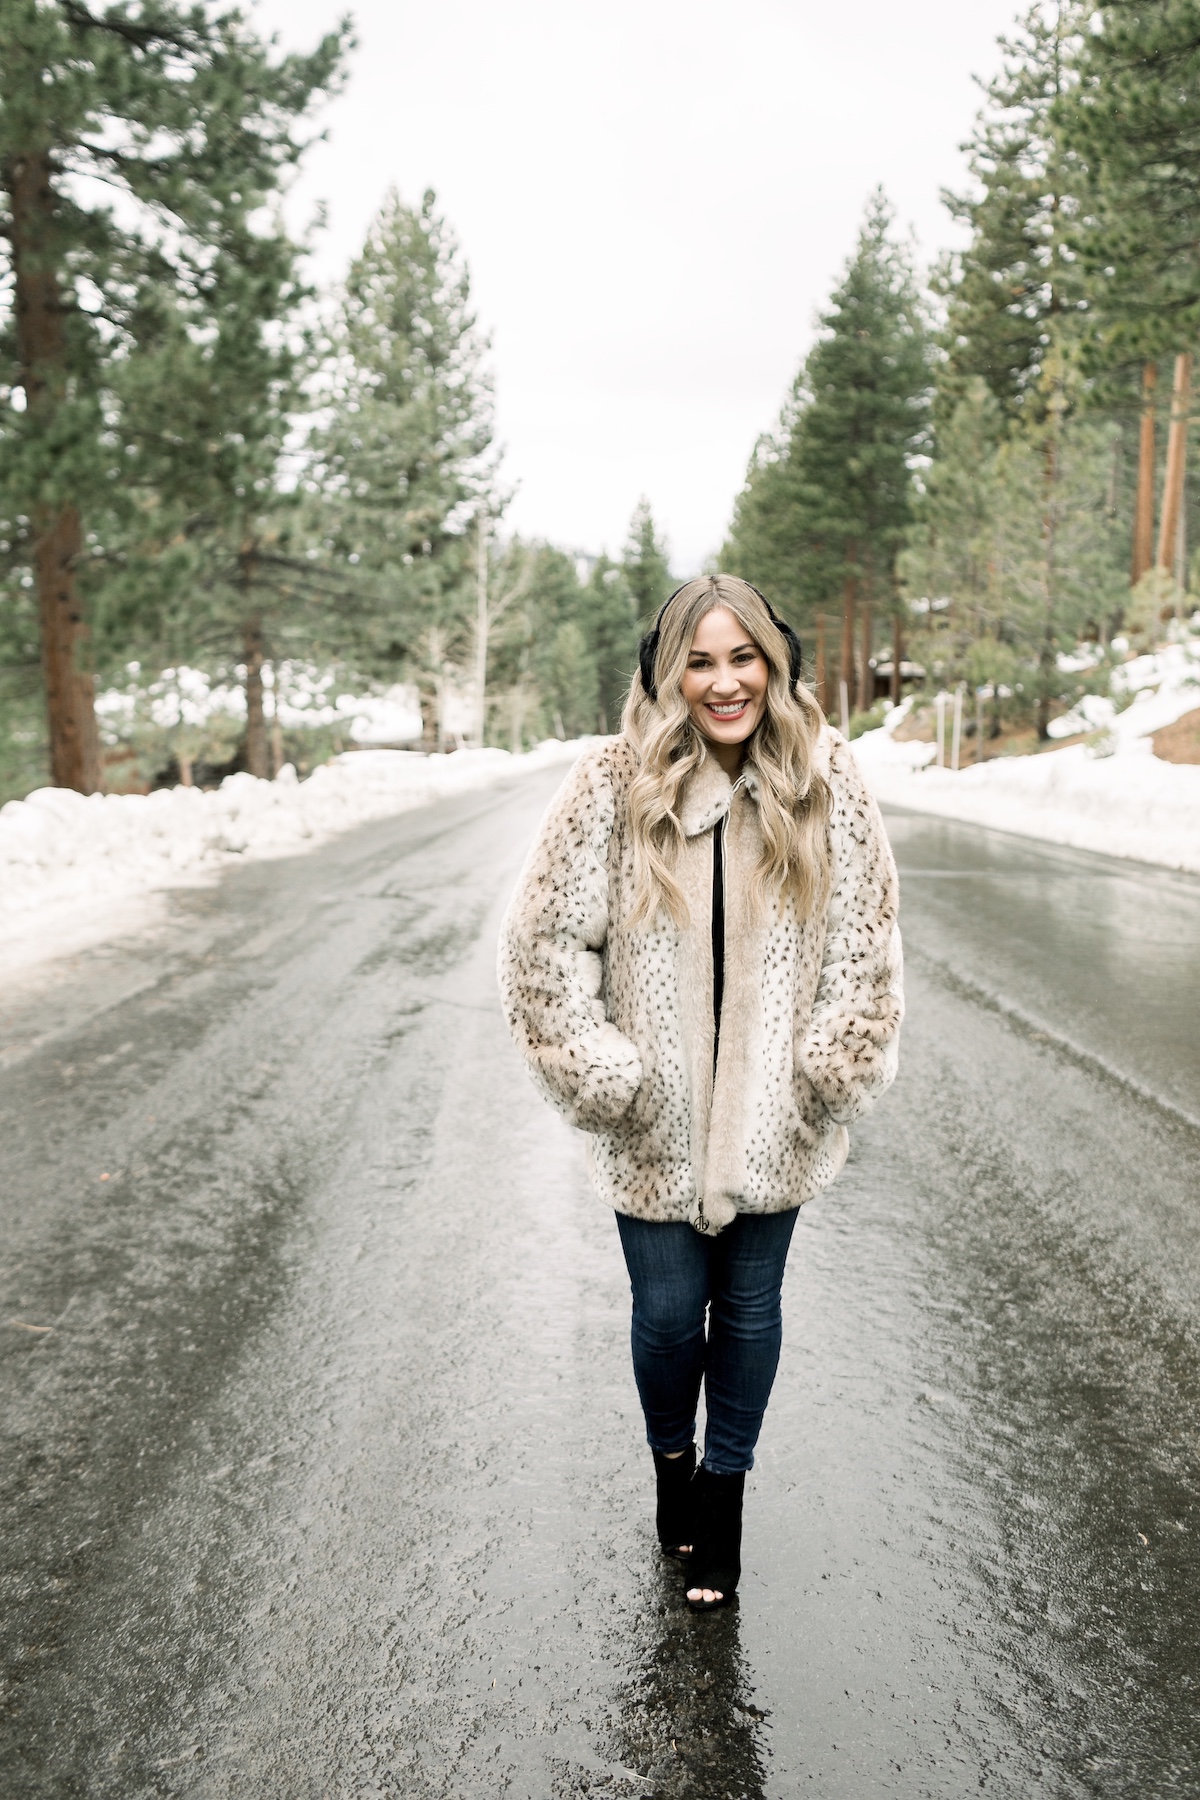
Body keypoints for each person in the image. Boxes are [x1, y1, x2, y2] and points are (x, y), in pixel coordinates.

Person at [498, 574, 902, 1610]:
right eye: (702, 659)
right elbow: (544, 945)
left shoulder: (828, 780)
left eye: (744, 657)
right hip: (653, 1123)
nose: (726, 682)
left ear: (775, 663)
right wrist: (602, 1071)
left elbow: (867, 946)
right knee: (671, 1316)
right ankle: (671, 1465)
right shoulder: (610, 785)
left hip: (780, 1117)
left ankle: (722, 1497)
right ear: (667, 669)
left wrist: (831, 1064)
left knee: (753, 1309)